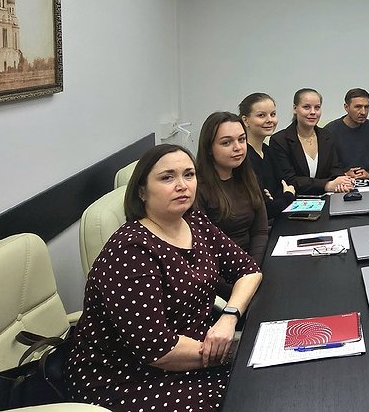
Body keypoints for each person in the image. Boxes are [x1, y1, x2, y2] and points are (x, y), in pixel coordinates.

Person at [67, 144, 263, 412]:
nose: (182, 185)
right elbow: (159, 351)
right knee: (249, 396)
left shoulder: (195, 222)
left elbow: (249, 270)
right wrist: (235, 352)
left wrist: (229, 316)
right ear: (142, 192)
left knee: (262, 381)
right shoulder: (130, 251)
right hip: (129, 376)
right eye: (167, 177)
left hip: (195, 353)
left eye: (189, 175)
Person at [195, 112, 269, 267]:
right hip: (220, 270)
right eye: (226, 143)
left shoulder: (248, 178)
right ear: (209, 148)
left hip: (253, 263)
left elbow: (260, 232)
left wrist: (254, 268)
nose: (238, 148)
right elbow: (203, 249)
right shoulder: (197, 189)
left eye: (241, 139)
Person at [269, 88, 354, 194]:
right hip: (294, 199)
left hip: (327, 197)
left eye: (317, 107)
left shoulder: (327, 136)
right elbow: (288, 180)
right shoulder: (280, 140)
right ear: (295, 109)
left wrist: (342, 181)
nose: (313, 112)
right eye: (306, 107)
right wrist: (326, 185)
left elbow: (334, 168)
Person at [239, 92, 295, 223]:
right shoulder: (242, 157)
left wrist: (279, 198)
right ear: (245, 120)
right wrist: (287, 196)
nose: (270, 120)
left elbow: (285, 183)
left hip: (278, 221)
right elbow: (265, 209)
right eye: (261, 115)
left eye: (273, 114)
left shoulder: (268, 150)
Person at [324, 87, 369, 180]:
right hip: (341, 182)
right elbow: (326, 165)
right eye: (358, 107)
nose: (363, 112)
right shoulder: (330, 131)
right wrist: (344, 175)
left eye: (366, 107)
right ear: (346, 107)